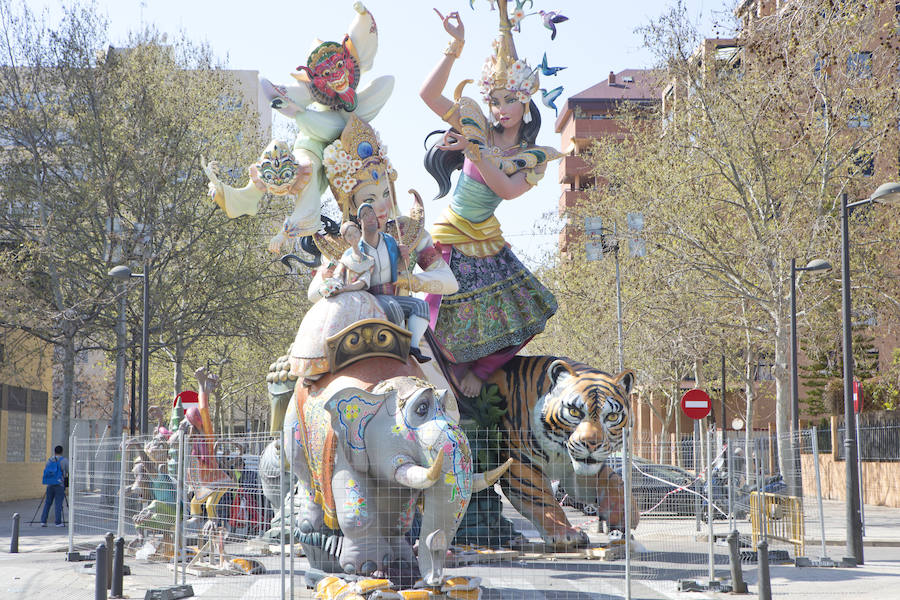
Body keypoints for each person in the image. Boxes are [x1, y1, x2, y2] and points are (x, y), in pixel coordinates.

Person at [419, 4, 563, 396]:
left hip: (488, 243)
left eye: (508, 100)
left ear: (526, 102)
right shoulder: (475, 126)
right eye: (495, 100)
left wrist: (477, 151)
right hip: (450, 237)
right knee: (430, 321)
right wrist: (455, 45)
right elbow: (428, 94)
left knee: (525, 311)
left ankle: (476, 377)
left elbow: (506, 190)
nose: (500, 109)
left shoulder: (533, 156)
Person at [357, 202, 432, 363]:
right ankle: (400, 347)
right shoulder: (357, 249)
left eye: (371, 213)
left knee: (421, 306)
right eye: (364, 215)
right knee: (393, 306)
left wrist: (402, 257)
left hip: (390, 292)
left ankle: (414, 347)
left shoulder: (389, 241)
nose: (370, 218)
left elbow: (396, 267)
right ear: (359, 222)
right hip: (372, 297)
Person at [40, 445, 68, 527]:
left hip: (49, 484)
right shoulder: (64, 460)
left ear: (54, 451)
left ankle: (43, 521)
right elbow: (70, 470)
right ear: (62, 452)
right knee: (58, 504)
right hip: (59, 484)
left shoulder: (49, 461)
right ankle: (58, 522)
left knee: (47, 503)